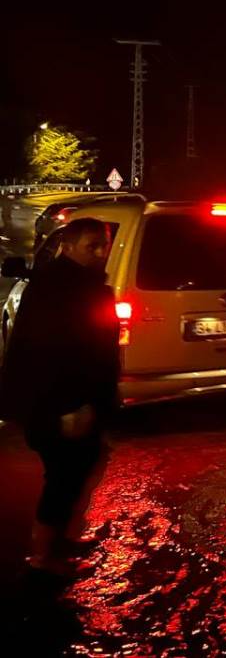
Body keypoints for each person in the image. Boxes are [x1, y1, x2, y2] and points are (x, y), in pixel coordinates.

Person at [0, 217, 120, 575]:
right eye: (91, 246)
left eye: (104, 244)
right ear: (67, 247)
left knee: (82, 465)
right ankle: (41, 556)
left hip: (81, 400)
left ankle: (60, 539)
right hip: (59, 404)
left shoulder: (86, 285)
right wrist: (67, 408)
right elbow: (46, 353)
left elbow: (98, 348)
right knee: (64, 474)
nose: (101, 252)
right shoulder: (56, 288)